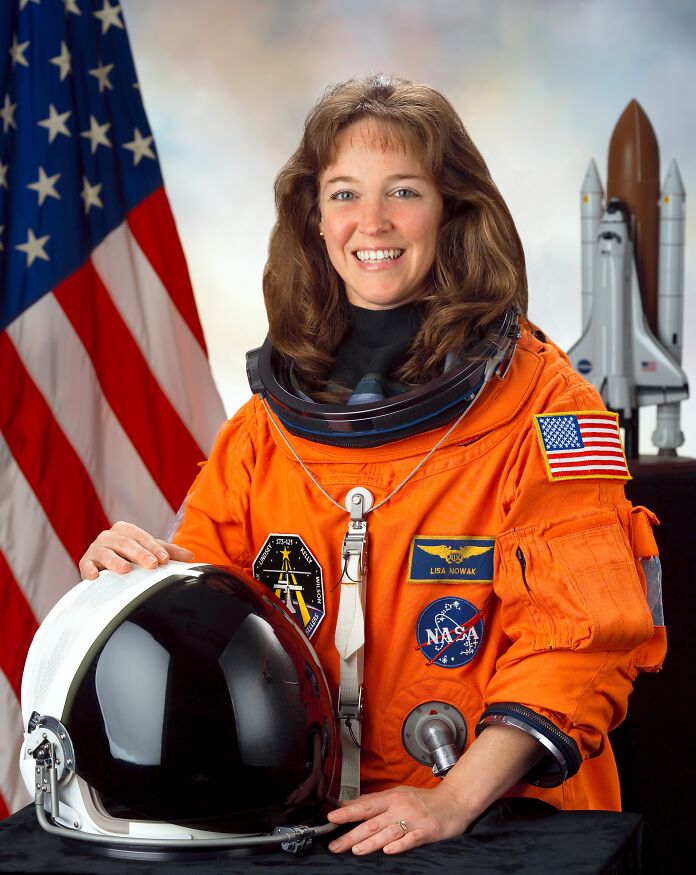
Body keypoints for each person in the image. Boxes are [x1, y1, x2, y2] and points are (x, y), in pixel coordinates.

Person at [79, 74, 665, 856]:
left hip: (499, 826)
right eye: (345, 194)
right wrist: (137, 579)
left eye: (404, 191)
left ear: (453, 208)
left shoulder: (549, 409)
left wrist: (453, 798)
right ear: (315, 219)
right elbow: (210, 613)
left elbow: (583, 637)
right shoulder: (267, 429)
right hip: (310, 823)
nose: (373, 222)